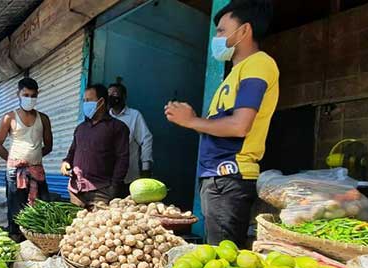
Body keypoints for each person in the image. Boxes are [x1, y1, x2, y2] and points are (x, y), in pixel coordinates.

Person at [165, 0, 277, 247]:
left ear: (244, 31)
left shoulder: (258, 64)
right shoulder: (234, 75)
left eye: (222, 31)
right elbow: (220, 126)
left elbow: (239, 126)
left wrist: (192, 121)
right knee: (216, 254)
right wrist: (192, 120)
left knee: (222, 258)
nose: (217, 38)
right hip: (217, 179)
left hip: (230, 177)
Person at [0, 77, 53, 237]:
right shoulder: (9, 118)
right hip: (14, 173)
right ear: (18, 94)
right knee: (16, 211)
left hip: (37, 171)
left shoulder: (44, 119)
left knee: (41, 209)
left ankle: (37, 243)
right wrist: (14, 161)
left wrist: (35, 160)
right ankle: (16, 242)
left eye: (33, 96)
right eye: (26, 95)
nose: (29, 99)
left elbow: (49, 146)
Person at [61, 84, 130, 208]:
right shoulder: (80, 128)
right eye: (84, 101)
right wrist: (65, 162)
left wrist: (113, 187)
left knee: (98, 226)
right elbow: (72, 152)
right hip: (76, 190)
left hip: (101, 192)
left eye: (89, 100)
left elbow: (122, 159)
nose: (85, 104)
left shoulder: (118, 128)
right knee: (75, 225)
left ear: (101, 102)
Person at [108, 83, 154, 185]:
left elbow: (146, 139)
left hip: (128, 176)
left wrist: (145, 167)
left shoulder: (134, 115)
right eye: (109, 93)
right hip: (107, 177)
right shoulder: (106, 117)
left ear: (124, 96)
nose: (111, 96)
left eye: (114, 93)